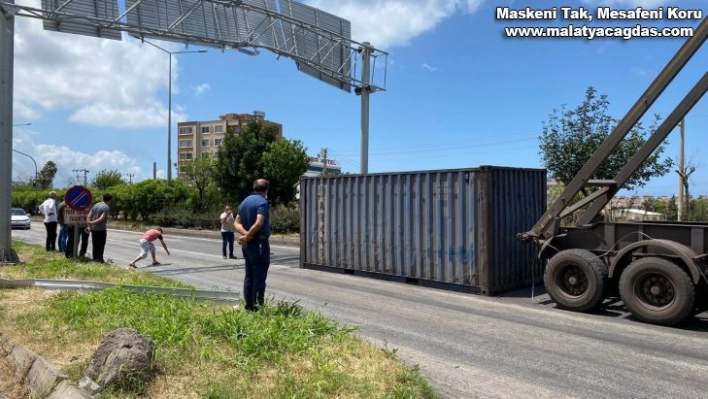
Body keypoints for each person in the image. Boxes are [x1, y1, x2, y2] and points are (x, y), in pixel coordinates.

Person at [235, 178, 271, 311]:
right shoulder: (263, 202)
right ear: (266, 190)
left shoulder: (244, 202)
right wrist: (249, 236)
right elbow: (259, 222)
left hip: (247, 245)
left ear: (254, 188)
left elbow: (236, 223)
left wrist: (245, 235)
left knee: (249, 275)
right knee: (259, 275)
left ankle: (249, 305)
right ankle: (257, 306)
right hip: (259, 243)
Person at [86, 193, 113, 263]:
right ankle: (100, 259)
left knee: (95, 245)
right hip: (101, 229)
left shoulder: (96, 205)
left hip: (94, 229)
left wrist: (89, 224)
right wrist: (92, 223)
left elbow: (89, 215)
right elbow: (102, 219)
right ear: (110, 200)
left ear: (103, 198)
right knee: (101, 245)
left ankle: (95, 259)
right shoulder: (106, 207)